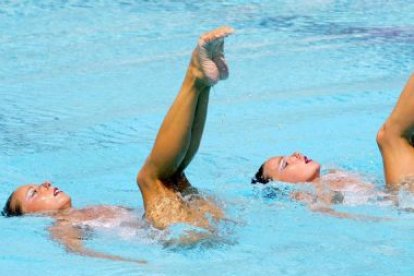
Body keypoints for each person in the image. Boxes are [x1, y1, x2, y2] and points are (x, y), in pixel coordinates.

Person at [2, 26, 234, 261]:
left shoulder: (85, 212)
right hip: (179, 239)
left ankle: (204, 85)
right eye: (33, 192)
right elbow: (78, 252)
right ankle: (195, 76)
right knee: (149, 179)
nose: (45, 184)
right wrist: (132, 265)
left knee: (175, 175)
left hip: (196, 225)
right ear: (32, 218)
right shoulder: (60, 226)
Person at [252, 74, 414, 217]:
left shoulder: (331, 176)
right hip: (402, 206)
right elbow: (335, 214)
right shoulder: (305, 195)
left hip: (402, 197)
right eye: (285, 164)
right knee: (390, 137)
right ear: (282, 186)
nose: (296, 155)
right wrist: (388, 221)